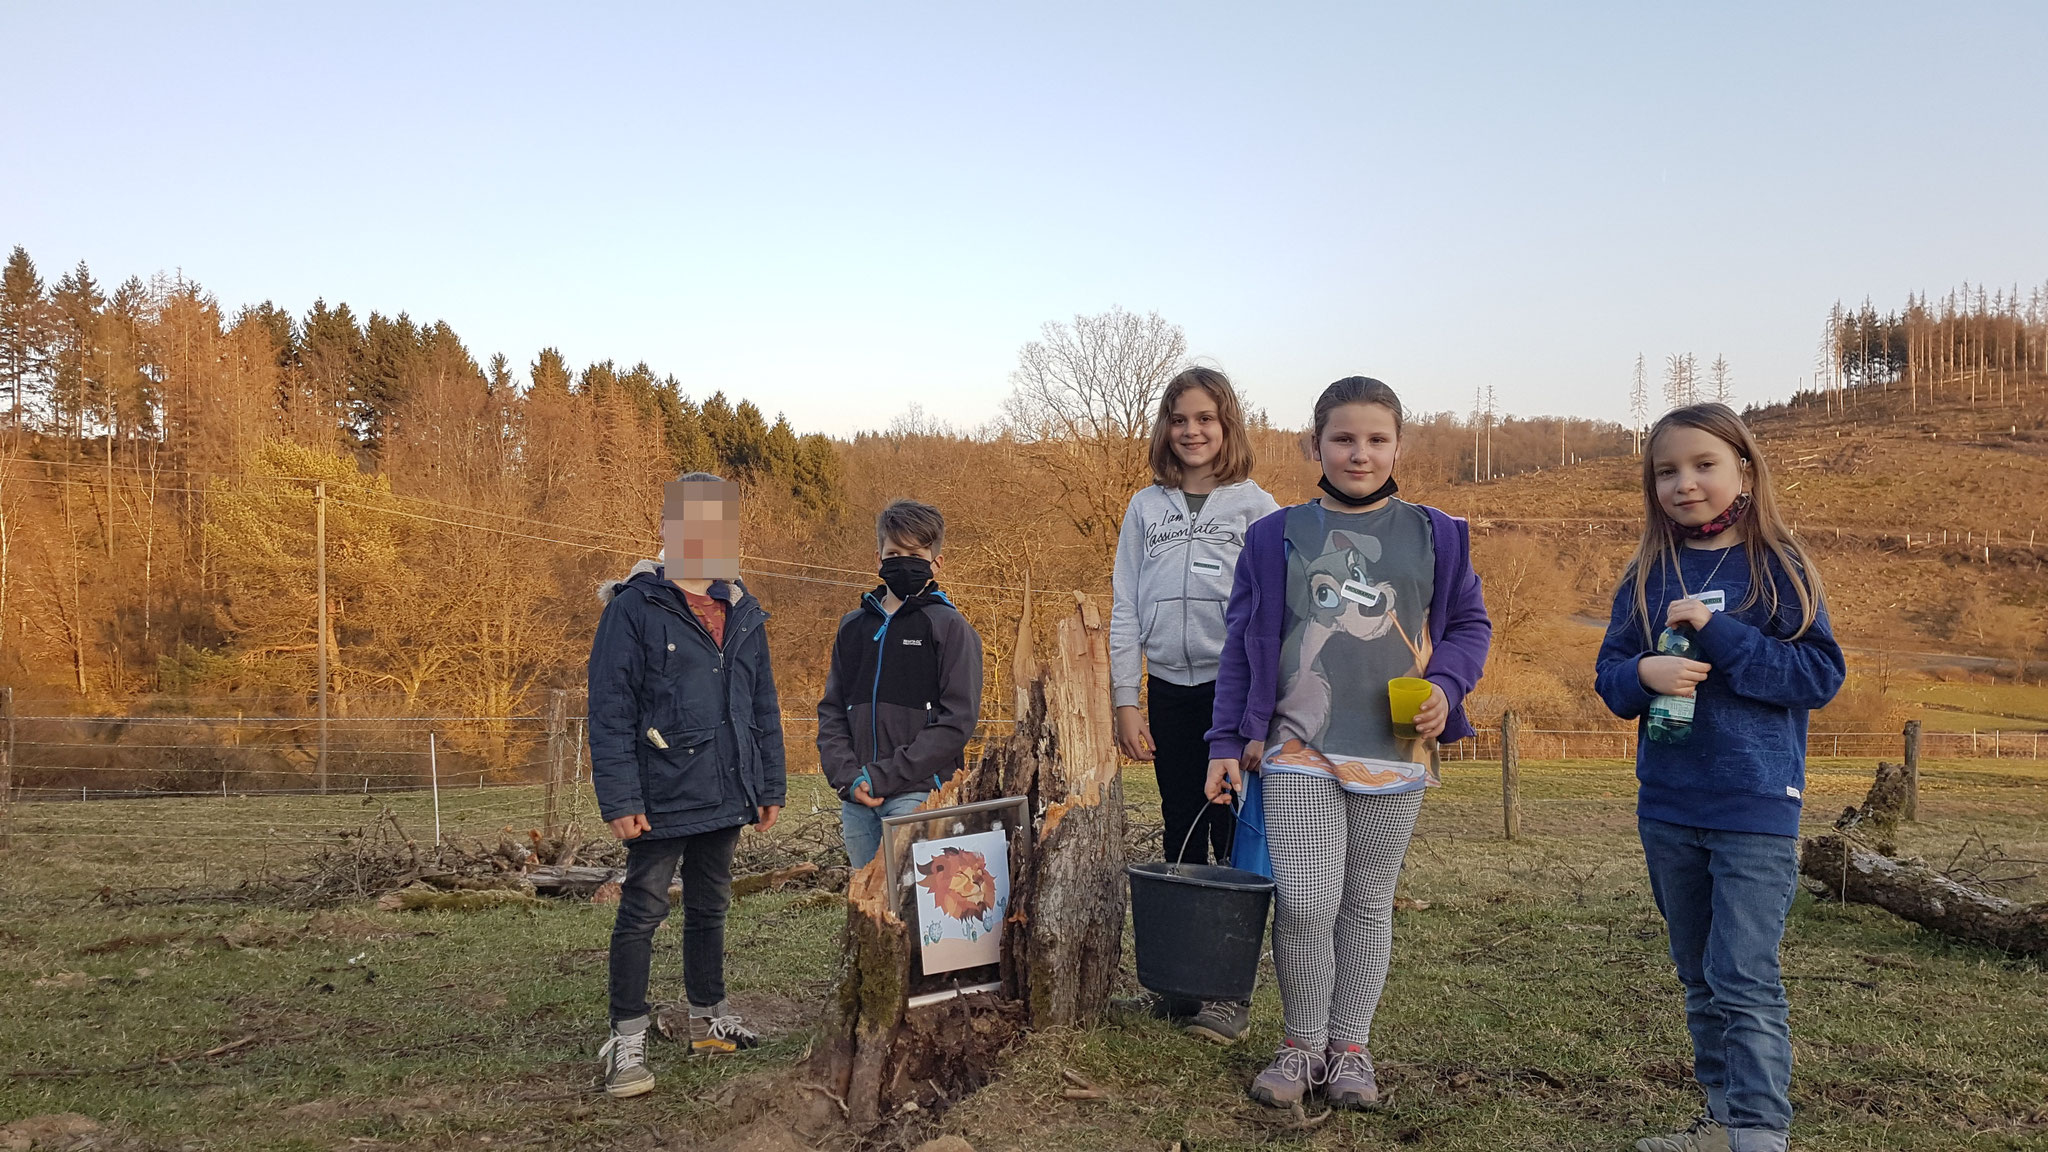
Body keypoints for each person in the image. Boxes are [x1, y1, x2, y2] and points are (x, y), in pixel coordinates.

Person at [1205, 377, 1492, 1110]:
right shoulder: (1275, 535)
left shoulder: (1439, 533)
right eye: (1343, 438)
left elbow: (1467, 627)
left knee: (1365, 903)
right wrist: (1225, 740)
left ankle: (1350, 1051)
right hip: (1298, 744)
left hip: (1396, 749)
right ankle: (1300, 1046)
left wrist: (1448, 689)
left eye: (1375, 439)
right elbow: (1242, 643)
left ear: (1398, 445)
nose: (1359, 453)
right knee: (1304, 902)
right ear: (1315, 445)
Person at [1595, 403, 1843, 1152]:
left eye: (1703, 464)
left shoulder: (1781, 568)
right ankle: (1719, 1122)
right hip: (1669, 807)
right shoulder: (1647, 574)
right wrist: (1645, 671)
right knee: (1700, 976)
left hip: (1756, 806)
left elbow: (1818, 674)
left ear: (1744, 468)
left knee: (1743, 976)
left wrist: (1724, 637)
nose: (1684, 483)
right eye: (1666, 471)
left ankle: (1761, 1132)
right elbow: (1610, 679)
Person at [587, 472, 787, 1099]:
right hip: (660, 794)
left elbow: (763, 705)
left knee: (711, 906)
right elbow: (611, 707)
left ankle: (707, 1020)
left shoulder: (744, 610)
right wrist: (620, 798)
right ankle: (627, 1041)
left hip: (728, 790)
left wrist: (769, 782)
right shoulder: (634, 608)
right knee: (642, 911)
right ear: (671, 530)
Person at [1110, 366, 1278, 1044]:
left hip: (1231, 691)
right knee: (1181, 828)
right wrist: (1127, 698)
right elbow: (1124, 604)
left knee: (1232, 835)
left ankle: (1228, 993)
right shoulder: (1144, 508)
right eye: (1180, 419)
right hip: (1169, 692)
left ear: (1227, 424)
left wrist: (1263, 711)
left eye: (1205, 418)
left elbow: (1277, 612)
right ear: (1165, 427)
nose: (1192, 431)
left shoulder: (1257, 506)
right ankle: (1181, 986)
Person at [817, 498, 984, 869]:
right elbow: (831, 710)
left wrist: (884, 776)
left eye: (914, 552)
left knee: (916, 902)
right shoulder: (852, 628)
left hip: (919, 792)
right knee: (869, 907)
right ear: (877, 558)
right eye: (894, 552)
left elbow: (958, 720)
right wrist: (849, 777)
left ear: (936, 561)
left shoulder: (950, 628)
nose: (902, 560)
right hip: (856, 796)